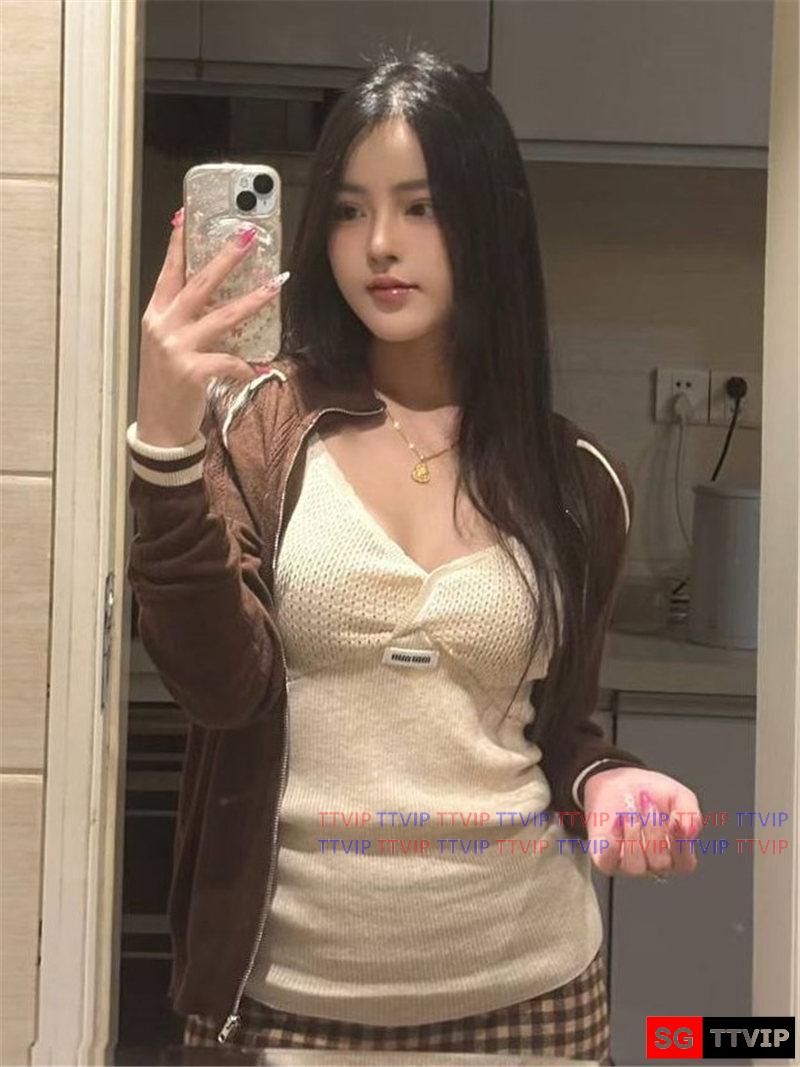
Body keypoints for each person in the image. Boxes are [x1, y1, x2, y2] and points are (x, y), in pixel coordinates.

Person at [126, 47, 702, 1063]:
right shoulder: (262, 426)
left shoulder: (576, 482)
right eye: (349, 210)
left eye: (420, 207)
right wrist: (166, 443)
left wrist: (609, 780)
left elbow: (557, 727)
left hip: (532, 996)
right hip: (285, 1003)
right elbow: (217, 688)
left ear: (488, 219)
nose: (379, 245)